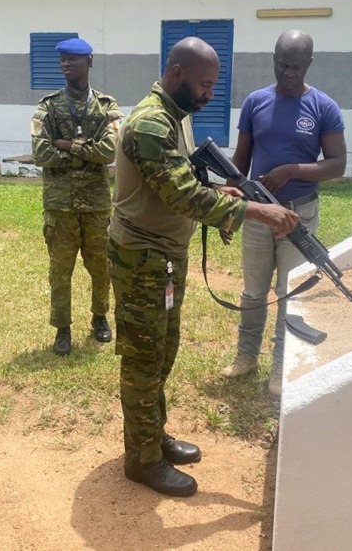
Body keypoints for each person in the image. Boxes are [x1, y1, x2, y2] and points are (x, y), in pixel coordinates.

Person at [109, 37, 298, 497]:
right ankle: (142, 461)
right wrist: (259, 211)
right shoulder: (151, 123)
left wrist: (224, 192)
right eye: (204, 84)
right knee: (143, 361)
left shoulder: (175, 117)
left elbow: (181, 180)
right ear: (176, 72)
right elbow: (181, 195)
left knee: (163, 352)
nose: (209, 93)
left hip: (163, 259)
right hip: (142, 260)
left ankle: (153, 436)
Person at [220, 30, 346, 397]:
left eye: (295, 66)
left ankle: (280, 365)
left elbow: (337, 164)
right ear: (272, 58)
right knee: (254, 291)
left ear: (309, 64)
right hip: (259, 214)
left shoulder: (323, 107)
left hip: (299, 214)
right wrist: (231, 206)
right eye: (281, 64)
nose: (287, 72)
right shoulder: (256, 102)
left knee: (287, 293)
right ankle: (246, 357)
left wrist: (291, 170)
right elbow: (239, 165)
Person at [30, 38, 122, 356]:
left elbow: (110, 150)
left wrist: (67, 145)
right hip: (60, 204)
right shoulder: (48, 106)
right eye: (62, 60)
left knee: (101, 266)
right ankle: (63, 329)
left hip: (96, 204)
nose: (65, 64)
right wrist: (87, 151)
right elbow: (41, 152)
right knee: (60, 270)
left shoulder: (107, 106)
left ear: (89, 61)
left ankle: (99, 317)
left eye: (72, 59)